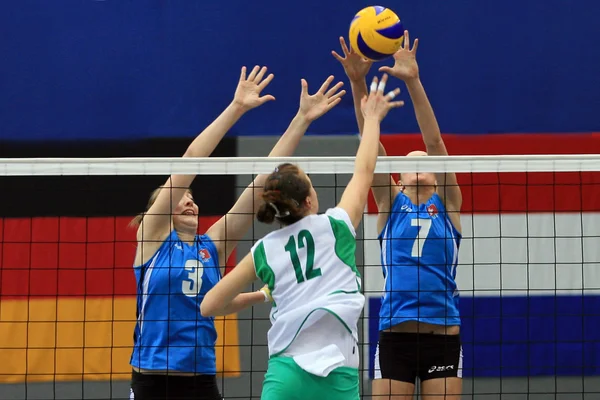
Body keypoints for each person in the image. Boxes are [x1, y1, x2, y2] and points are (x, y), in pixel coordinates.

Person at [129, 65, 347, 400]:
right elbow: (188, 163)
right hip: (153, 378)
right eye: (179, 199)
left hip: (200, 375)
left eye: (192, 199)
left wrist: (302, 119)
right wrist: (237, 108)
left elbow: (262, 182)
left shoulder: (211, 246)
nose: (188, 202)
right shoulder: (153, 239)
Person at [201, 73, 403, 400]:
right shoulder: (336, 225)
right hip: (338, 372)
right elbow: (364, 169)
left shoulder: (264, 250)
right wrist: (372, 119)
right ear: (309, 200)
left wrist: (258, 296)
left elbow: (209, 305)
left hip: (285, 377)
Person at [333, 31, 463, 399]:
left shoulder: (448, 206)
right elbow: (370, 145)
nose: (420, 157)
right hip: (395, 337)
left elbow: (435, 141)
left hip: (443, 337)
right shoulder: (391, 204)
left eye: (426, 160)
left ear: (437, 178)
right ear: (399, 181)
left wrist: (414, 82)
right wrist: (357, 80)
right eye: (409, 161)